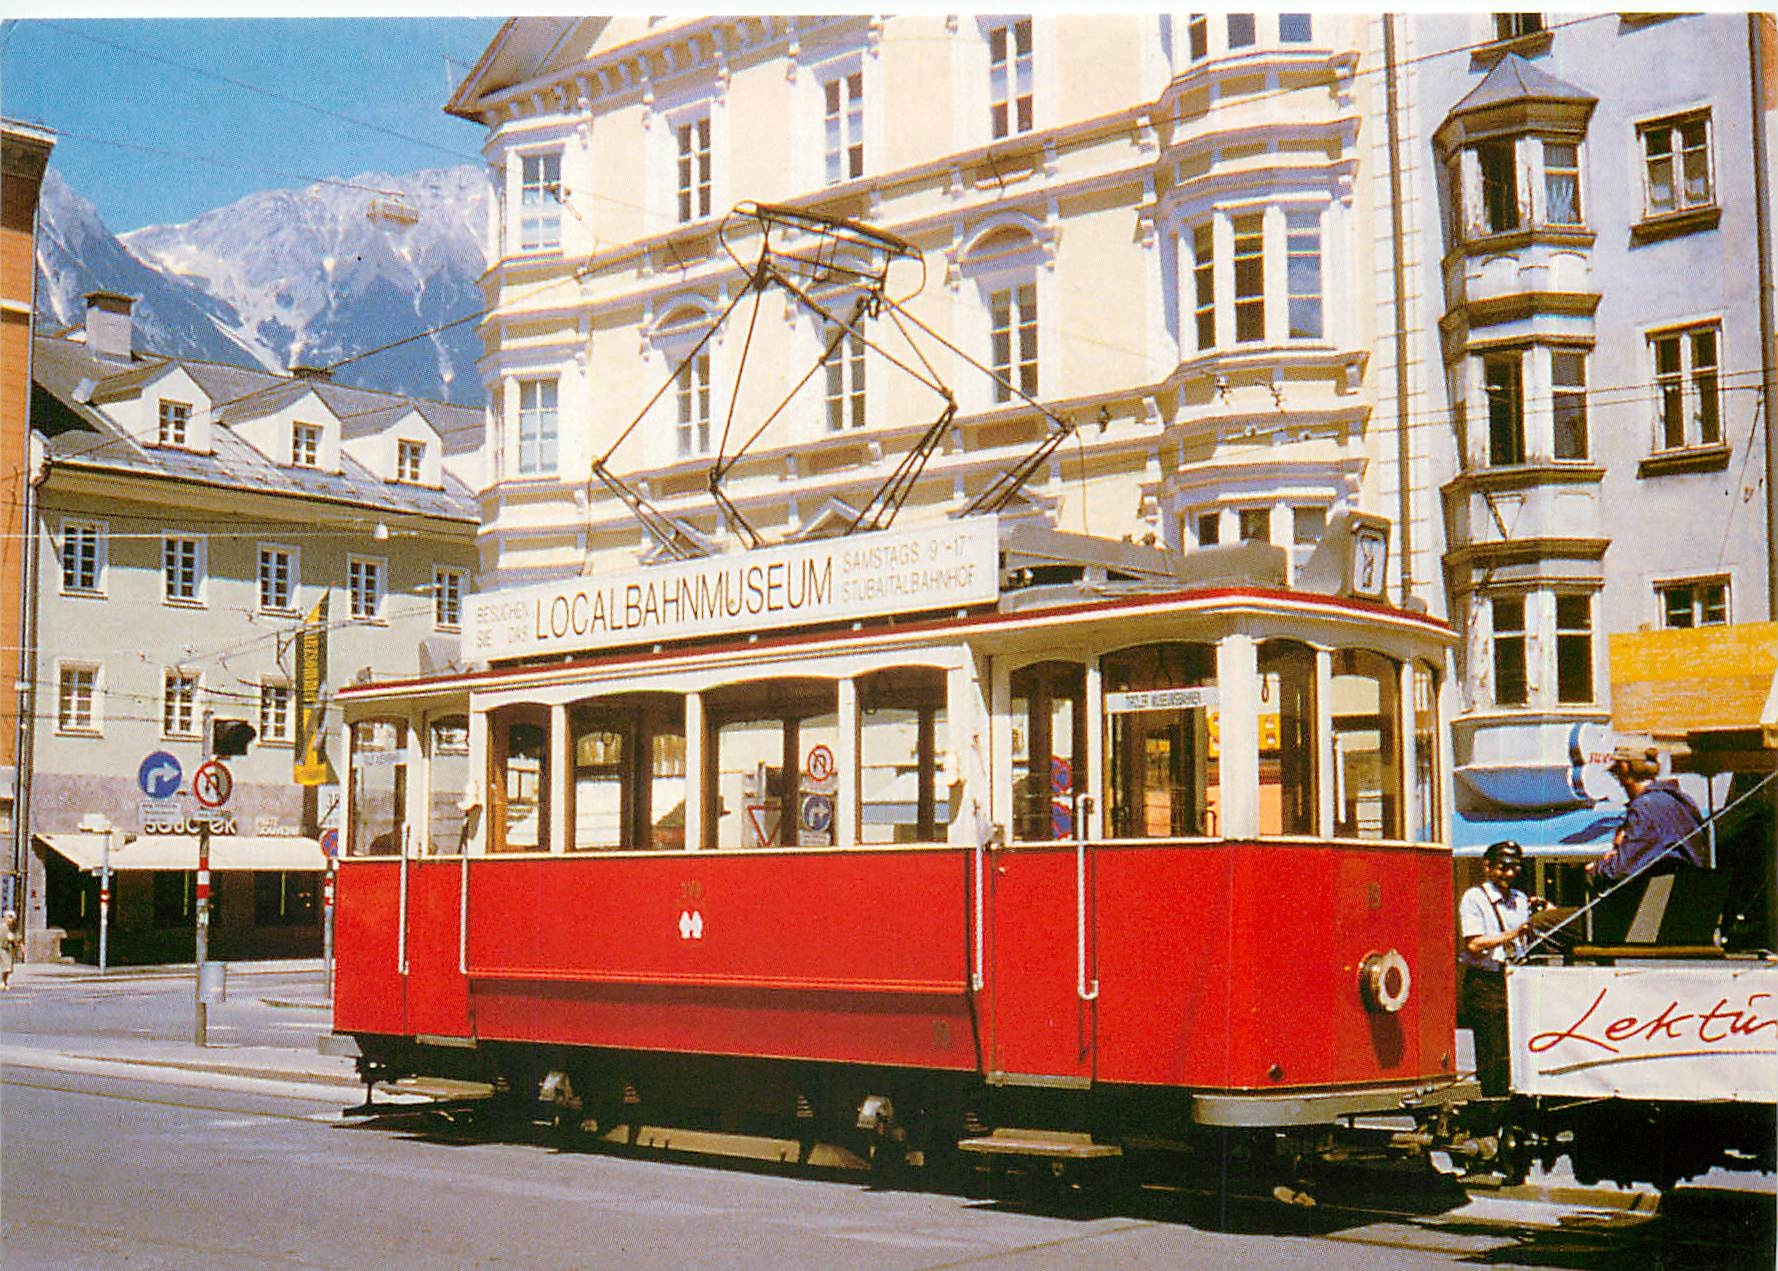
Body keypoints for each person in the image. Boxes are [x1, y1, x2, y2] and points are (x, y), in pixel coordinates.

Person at [1458, 840, 1544, 1097]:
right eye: (1503, 867)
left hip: (1514, 979)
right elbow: (1474, 943)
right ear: (1488, 867)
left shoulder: (1519, 899)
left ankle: (1513, 1103)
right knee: (1492, 1052)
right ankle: (1492, 1107)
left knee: (1514, 1049)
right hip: (1486, 982)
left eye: (1515, 868)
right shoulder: (1475, 898)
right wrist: (1513, 933)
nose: (1509, 874)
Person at [1587, 746, 1705, 886]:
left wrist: (1595, 870)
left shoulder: (1645, 808)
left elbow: (1618, 870)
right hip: (1691, 889)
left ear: (1625, 768)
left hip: (1667, 896)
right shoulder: (1680, 799)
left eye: (1616, 771)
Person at [1, 909, 21, 990]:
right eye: (9, 917)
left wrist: (20, 946)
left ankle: (5, 981)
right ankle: (2, 981)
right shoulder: (2, 927)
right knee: (5, 966)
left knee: (9, 967)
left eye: (12, 918)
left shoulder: (14, 928)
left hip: (11, 949)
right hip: (2, 949)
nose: (10, 920)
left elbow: (18, 937)